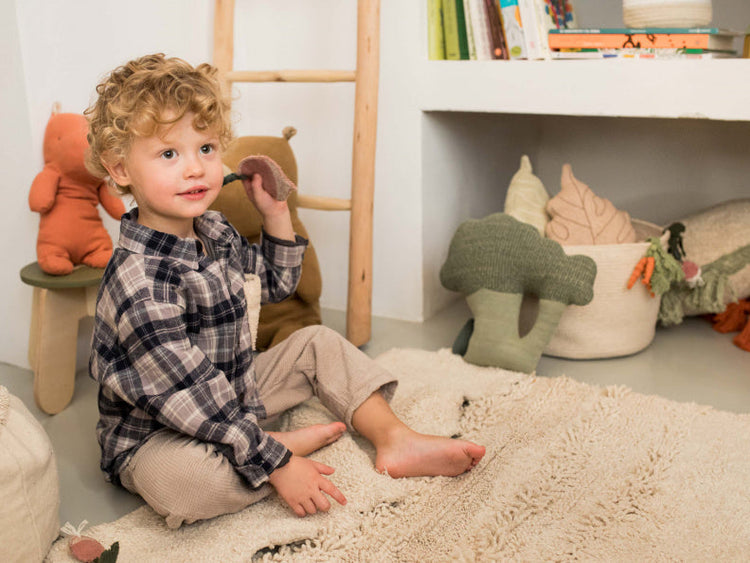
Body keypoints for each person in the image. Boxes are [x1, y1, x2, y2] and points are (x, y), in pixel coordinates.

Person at [85, 53, 485, 529]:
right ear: (120, 169)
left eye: (207, 149)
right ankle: (263, 448)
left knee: (318, 342)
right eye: (169, 154)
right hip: (157, 435)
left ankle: (396, 437)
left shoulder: (213, 229)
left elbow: (273, 284)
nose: (195, 169)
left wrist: (274, 213)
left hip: (232, 394)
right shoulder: (140, 284)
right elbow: (191, 397)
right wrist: (277, 463)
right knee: (191, 487)